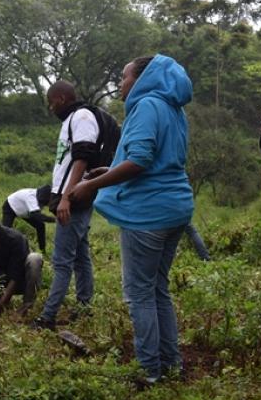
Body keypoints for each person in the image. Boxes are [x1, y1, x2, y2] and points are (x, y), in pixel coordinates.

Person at [69, 54, 194, 383]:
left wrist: (91, 186)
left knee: (139, 293)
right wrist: (109, 170)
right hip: (176, 206)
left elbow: (139, 160)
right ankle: (172, 364)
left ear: (142, 79)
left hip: (148, 213)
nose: (120, 84)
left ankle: (149, 371)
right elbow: (159, 161)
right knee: (158, 290)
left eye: (124, 78)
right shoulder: (173, 109)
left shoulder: (146, 106)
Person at [32, 81, 98, 330]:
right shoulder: (71, 120)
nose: (51, 108)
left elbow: (83, 156)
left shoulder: (81, 116)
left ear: (60, 98)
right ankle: (84, 307)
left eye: (51, 102)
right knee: (81, 256)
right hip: (70, 197)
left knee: (62, 261)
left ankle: (48, 317)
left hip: (74, 200)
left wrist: (67, 197)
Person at [2, 185, 56, 253]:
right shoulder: (31, 197)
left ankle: (42, 249)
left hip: (25, 211)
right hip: (10, 206)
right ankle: (2, 250)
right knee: (6, 230)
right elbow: (37, 216)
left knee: (40, 226)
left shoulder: (40, 196)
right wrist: (54, 220)